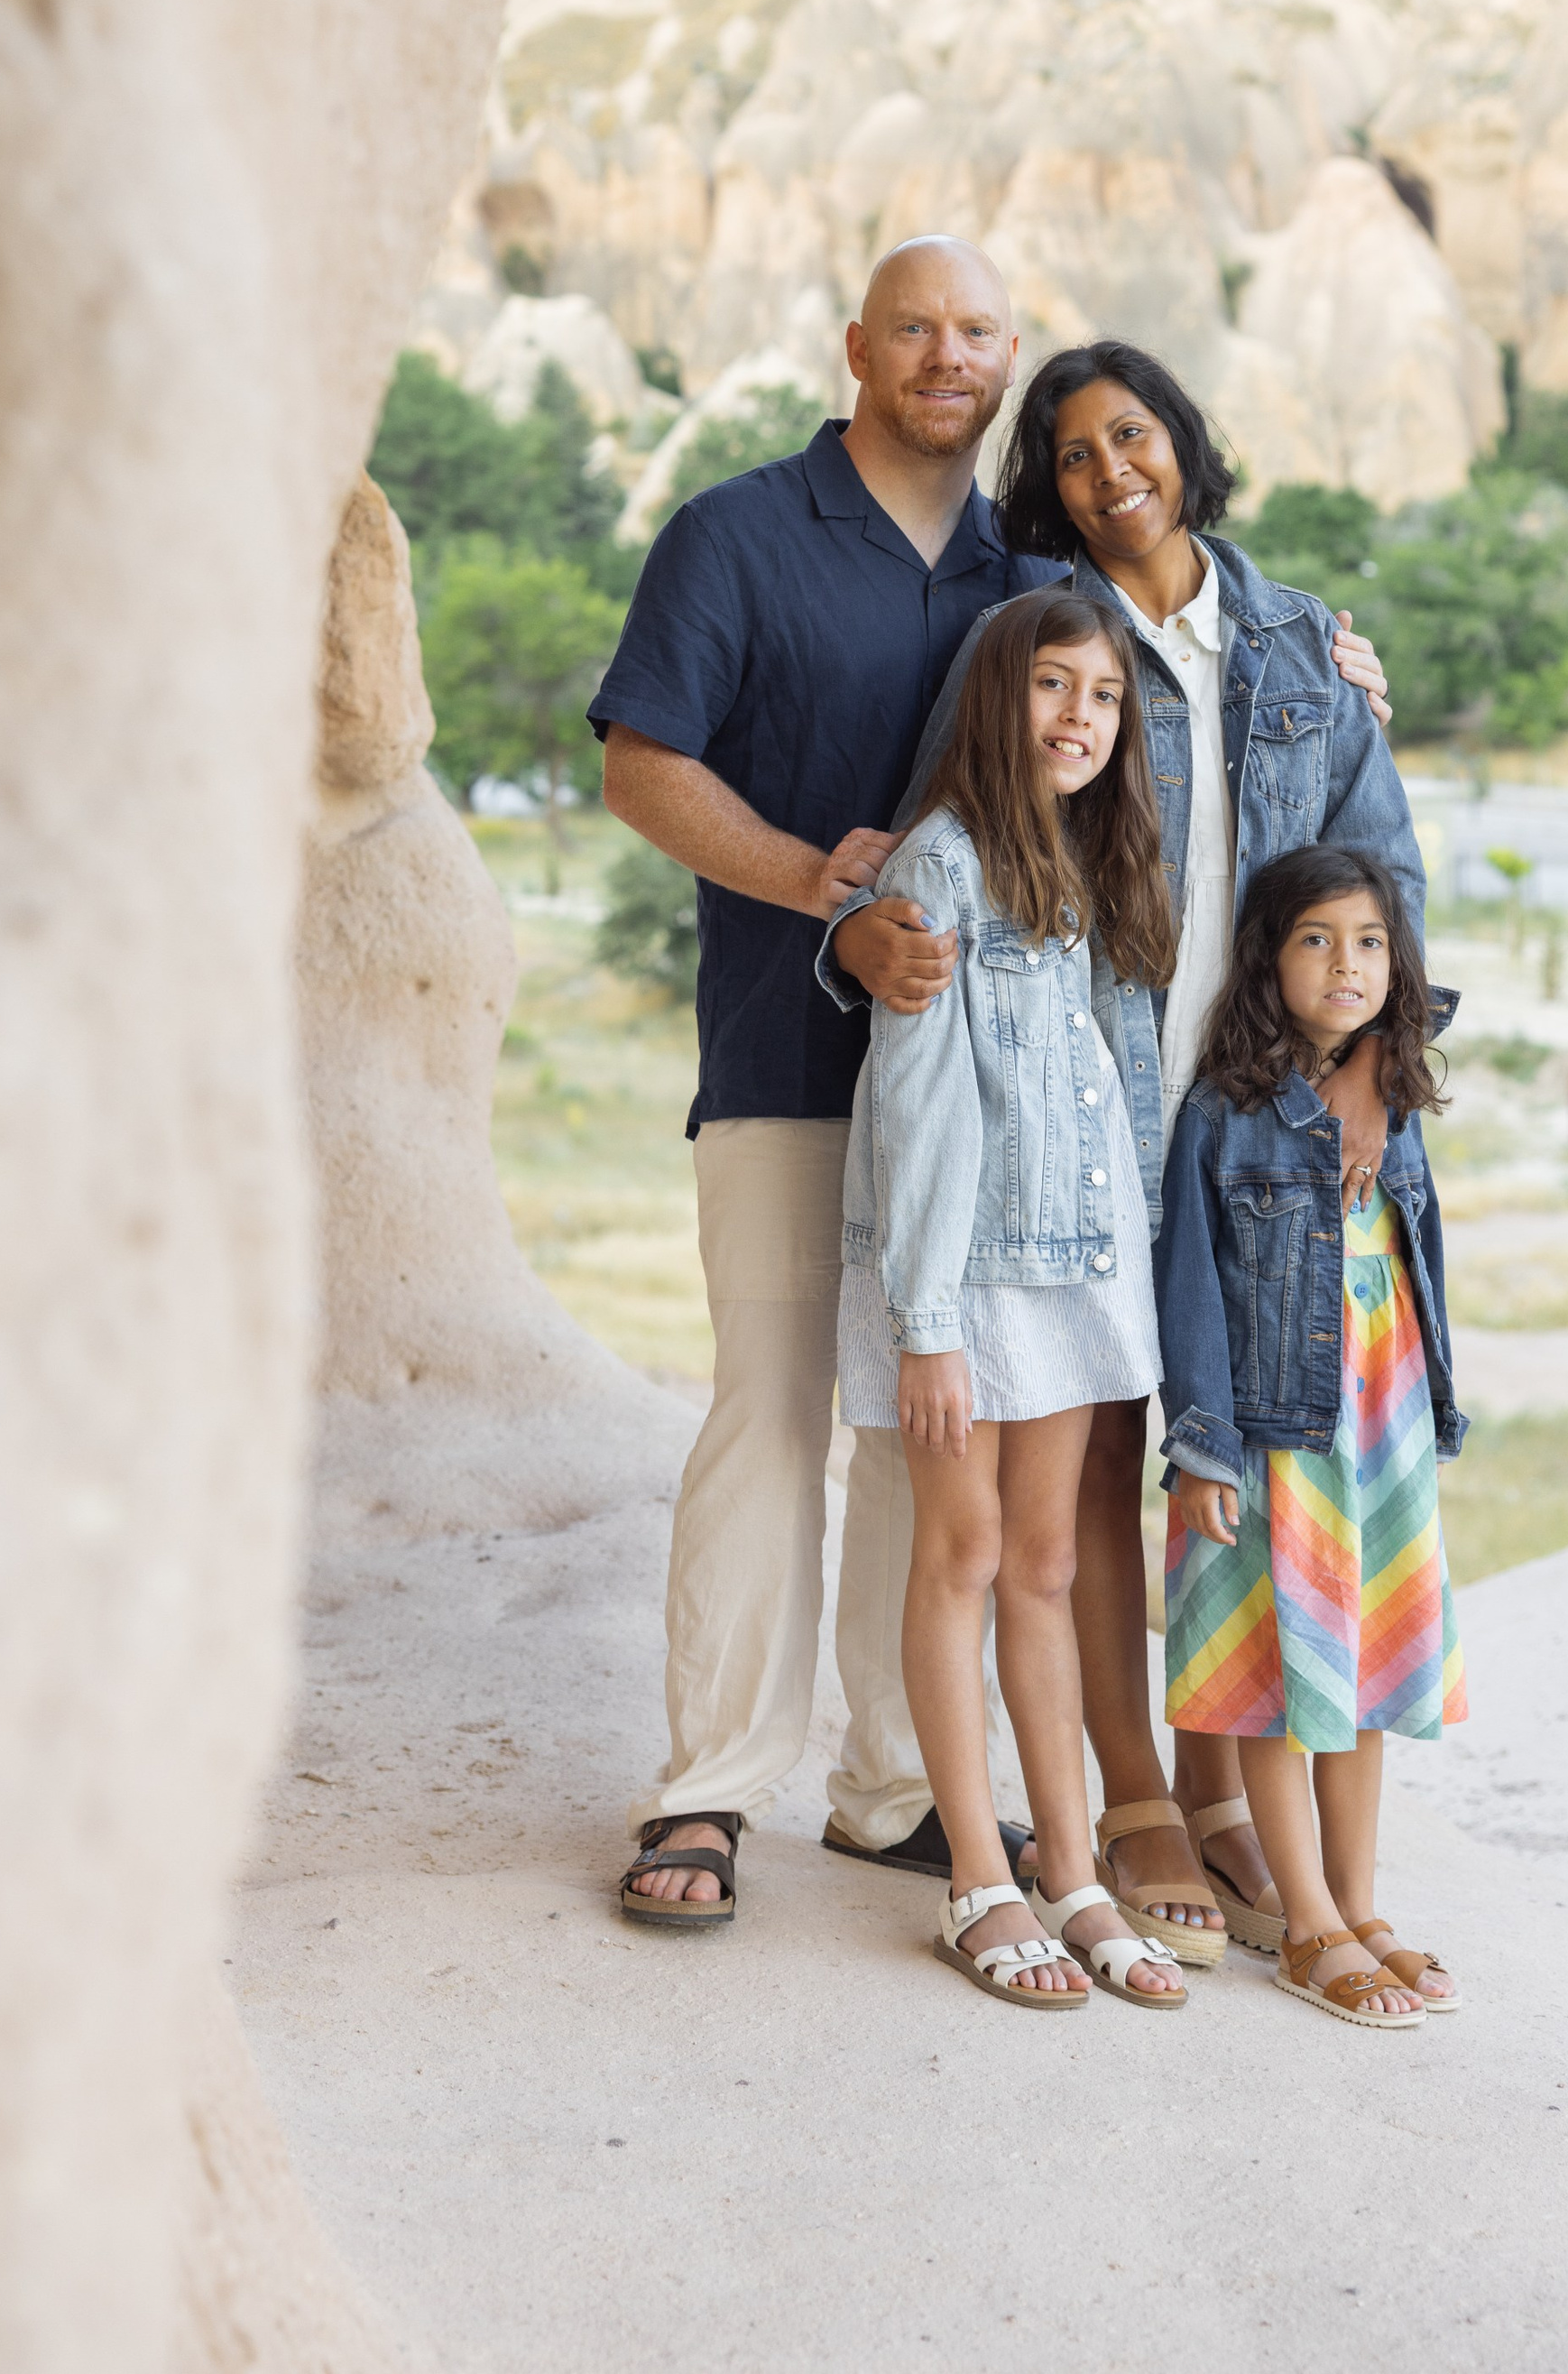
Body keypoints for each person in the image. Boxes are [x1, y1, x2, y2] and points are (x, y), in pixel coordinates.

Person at [827, 339, 1417, 1959]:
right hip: (1094, 1108)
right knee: (1075, 1465)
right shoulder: (1044, 633)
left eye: (1132, 436)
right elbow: (930, 869)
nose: (1109, 472)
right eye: (1072, 453)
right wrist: (852, 928)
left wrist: (1369, 1074)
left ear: (1185, 442)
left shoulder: (1300, 637)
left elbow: (1381, 871)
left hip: (1264, 1112)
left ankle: (1241, 1795)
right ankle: (1132, 1791)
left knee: (1253, 1442)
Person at [603, 239, 1064, 1928]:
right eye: (919, 328)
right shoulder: (733, 534)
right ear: (857, 345)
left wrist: (1344, 671)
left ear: (1011, 356)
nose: (950, 355)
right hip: (789, 1063)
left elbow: (1163, 681)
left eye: (980, 332)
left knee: (918, 1434)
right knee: (775, 1415)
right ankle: (715, 1787)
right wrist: (825, 889)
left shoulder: (1027, 568)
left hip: (985, 1105)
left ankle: (889, 1791)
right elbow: (643, 764)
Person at [838, 588, 1188, 2008]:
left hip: (1071, 1275)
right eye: (1053, 687)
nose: (1079, 720)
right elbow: (918, 1115)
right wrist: (925, 1323)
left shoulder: (1085, 862)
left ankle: (1076, 1868)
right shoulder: (942, 866)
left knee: (1047, 1565)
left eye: (1102, 699)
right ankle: (977, 1876)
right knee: (964, 1555)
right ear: (1002, 698)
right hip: (963, 1279)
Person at [1157, 844, 1465, 2027]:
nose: (1349, 964)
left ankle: (1359, 1898)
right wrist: (1200, 1446)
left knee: (1366, 1670)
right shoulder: (1226, 1117)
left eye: (1371, 941)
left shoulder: (1397, 1094)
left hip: (1377, 1429)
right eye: (1317, 939)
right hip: (1276, 1433)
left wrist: (1381, 1055)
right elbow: (1190, 1285)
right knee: (1289, 1678)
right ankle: (1306, 1922)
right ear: (1266, 957)